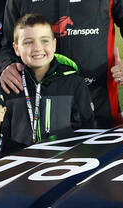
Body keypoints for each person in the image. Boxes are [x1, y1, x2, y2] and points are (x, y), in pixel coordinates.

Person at [5, 13, 95, 151]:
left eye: (44, 40)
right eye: (28, 42)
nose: (37, 48)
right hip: (22, 165)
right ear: (16, 48)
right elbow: (3, 137)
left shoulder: (74, 84)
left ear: (54, 44)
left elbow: (86, 130)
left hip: (65, 163)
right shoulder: (10, 85)